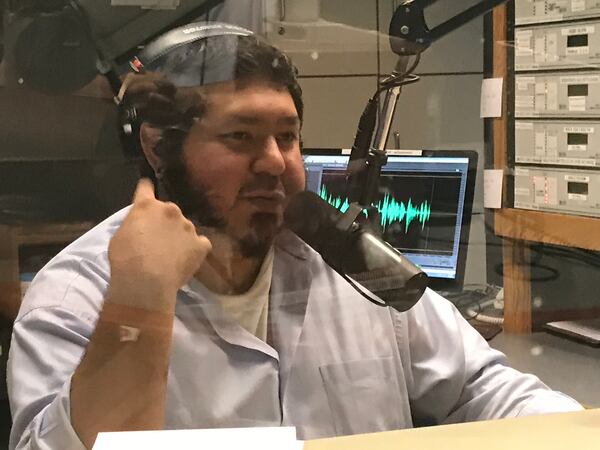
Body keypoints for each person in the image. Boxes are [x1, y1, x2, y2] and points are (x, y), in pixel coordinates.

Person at [7, 22, 582, 450]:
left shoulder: (341, 254)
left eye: (287, 137)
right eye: (240, 137)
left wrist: (571, 435)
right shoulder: (80, 292)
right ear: (157, 149)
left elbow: (479, 386)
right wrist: (139, 301)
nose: (276, 164)